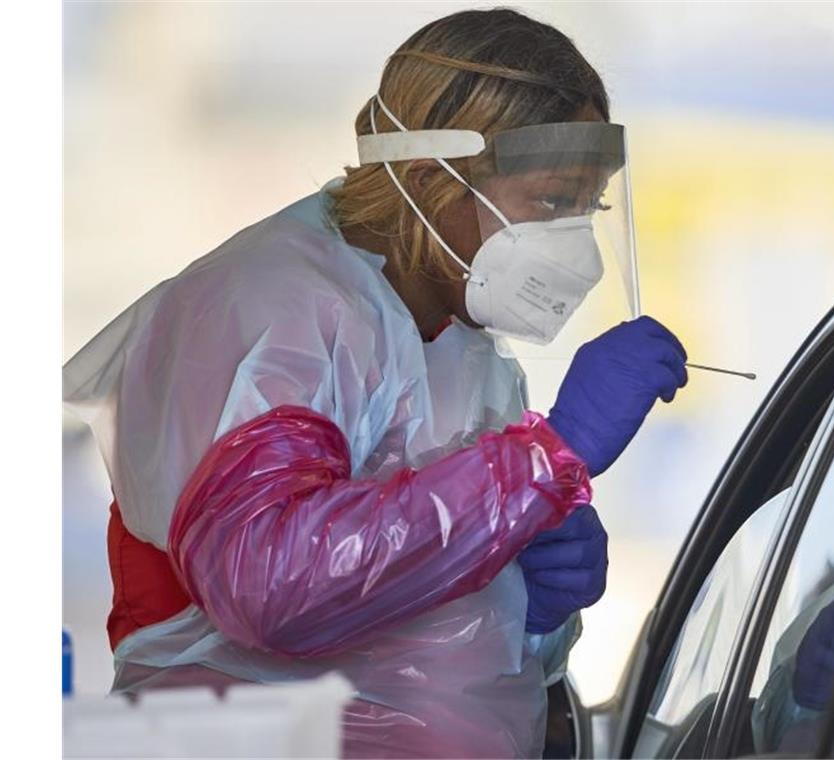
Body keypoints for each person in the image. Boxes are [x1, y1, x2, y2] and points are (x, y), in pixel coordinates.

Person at [63, 9, 688, 758]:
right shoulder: (277, 311)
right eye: (552, 202)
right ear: (430, 181)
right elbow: (268, 586)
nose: (575, 242)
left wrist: (531, 604)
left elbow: (432, 614)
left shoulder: (463, 349)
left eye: (589, 206)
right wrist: (541, 461)